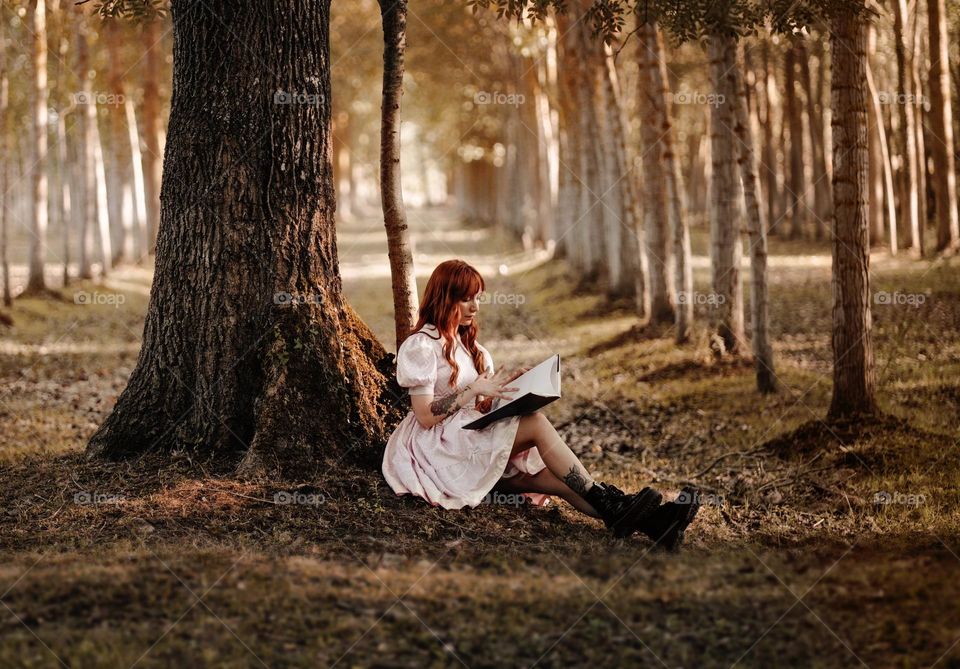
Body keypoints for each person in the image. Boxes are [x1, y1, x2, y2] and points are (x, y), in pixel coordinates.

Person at [381, 259, 699, 548]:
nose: (475, 307)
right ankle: (628, 510)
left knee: (553, 478)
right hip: (436, 450)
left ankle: (654, 523)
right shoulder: (422, 346)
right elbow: (424, 416)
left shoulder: (470, 347)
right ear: (444, 298)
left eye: (478, 298)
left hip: (466, 436)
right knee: (534, 423)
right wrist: (471, 390)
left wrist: (506, 389)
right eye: (466, 299)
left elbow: (478, 408)